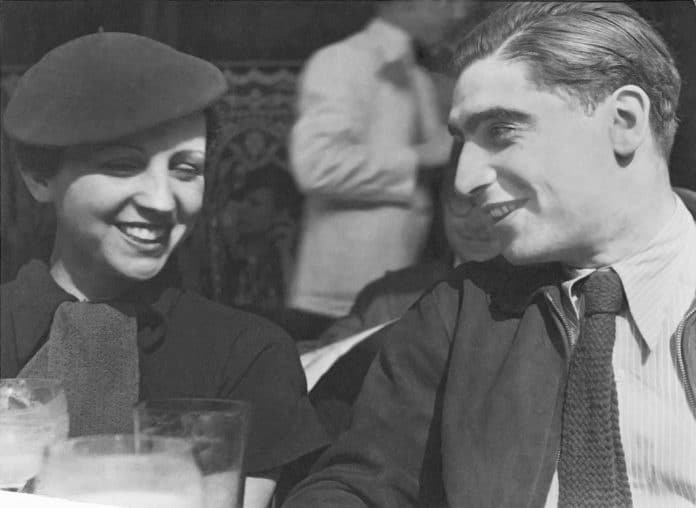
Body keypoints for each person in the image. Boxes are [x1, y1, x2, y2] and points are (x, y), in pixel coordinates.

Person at [284, 3, 696, 507]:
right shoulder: (455, 312)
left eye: (501, 131)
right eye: (463, 141)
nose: (463, 179)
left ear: (625, 121)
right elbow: (359, 487)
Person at [0, 32, 328, 508]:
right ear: (39, 176)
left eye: (186, 169)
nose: (161, 200)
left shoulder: (247, 356)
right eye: (122, 165)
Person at [287, 0, 473, 323]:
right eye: (446, 2)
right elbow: (315, 166)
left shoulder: (418, 75)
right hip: (341, 296)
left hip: (405, 285)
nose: (458, 13)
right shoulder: (341, 61)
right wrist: (421, 157)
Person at [217, 165, 300, 310]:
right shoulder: (223, 252)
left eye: (255, 204)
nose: (242, 208)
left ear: (281, 213)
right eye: (242, 200)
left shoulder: (295, 259)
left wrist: (285, 255)